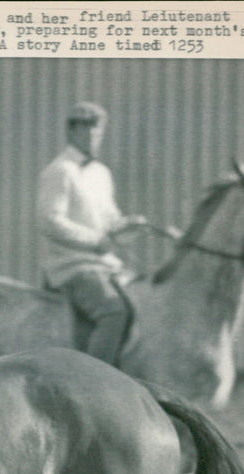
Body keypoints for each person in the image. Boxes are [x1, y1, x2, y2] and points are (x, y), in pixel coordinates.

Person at [37, 101, 146, 367]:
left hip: (104, 265)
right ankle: (94, 379)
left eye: (97, 132)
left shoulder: (101, 173)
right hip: (72, 266)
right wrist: (95, 241)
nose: (92, 138)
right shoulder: (60, 171)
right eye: (85, 131)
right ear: (72, 132)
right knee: (114, 311)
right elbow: (49, 221)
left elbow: (109, 218)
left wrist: (126, 225)